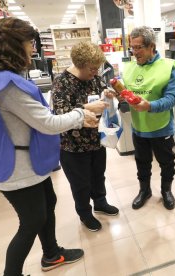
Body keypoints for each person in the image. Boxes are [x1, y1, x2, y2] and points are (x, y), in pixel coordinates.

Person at [0, 17, 105, 275]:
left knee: (48, 203)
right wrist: (82, 115)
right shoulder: (8, 87)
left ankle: (51, 254)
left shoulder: (1, 79)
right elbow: (48, 123)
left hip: (29, 162)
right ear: (15, 46)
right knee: (31, 221)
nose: (32, 48)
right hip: (17, 168)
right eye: (29, 42)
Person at [52, 41, 119, 232]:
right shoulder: (62, 82)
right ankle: (84, 213)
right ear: (80, 64)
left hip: (96, 141)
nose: (95, 72)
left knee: (98, 176)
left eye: (97, 68)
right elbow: (59, 113)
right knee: (80, 184)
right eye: (91, 69)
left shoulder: (94, 78)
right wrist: (88, 107)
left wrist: (107, 95)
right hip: (73, 146)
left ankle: (100, 202)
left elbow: (101, 96)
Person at [122, 26, 175, 210]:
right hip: (138, 127)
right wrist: (116, 95)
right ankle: (145, 190)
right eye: (132, 47)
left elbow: (171, 99)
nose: (134, 52)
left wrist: (149, 106)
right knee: (142, 163)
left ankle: (166, 191)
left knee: (166, 163)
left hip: (161, 127)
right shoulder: (129, 68)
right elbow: (126, 94)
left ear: (151, 47)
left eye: (139, 47)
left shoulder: (168, 67)